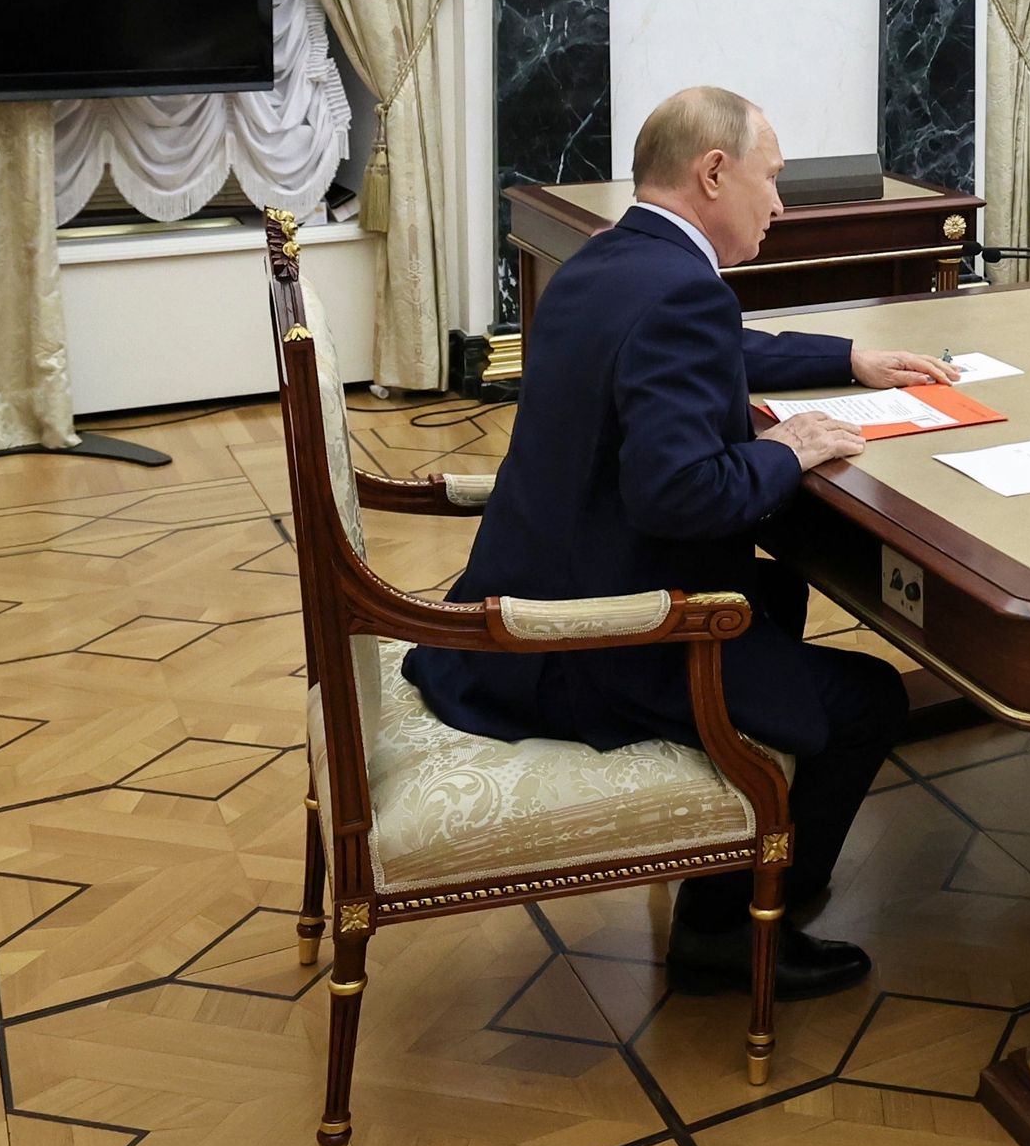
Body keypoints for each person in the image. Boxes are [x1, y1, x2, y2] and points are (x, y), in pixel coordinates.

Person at [406, 87, 958, 1003]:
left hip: (527, 590)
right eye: (771, 181)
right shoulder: (679, 296)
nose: (779, 205)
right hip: (589, 642)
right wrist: (784, 448)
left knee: (777, 597)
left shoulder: (607, 264)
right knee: (864, 700)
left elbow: (715, 350)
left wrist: (847, 360)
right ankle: (735, 932)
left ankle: (737, 878)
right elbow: (680, 494)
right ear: (713, 172)